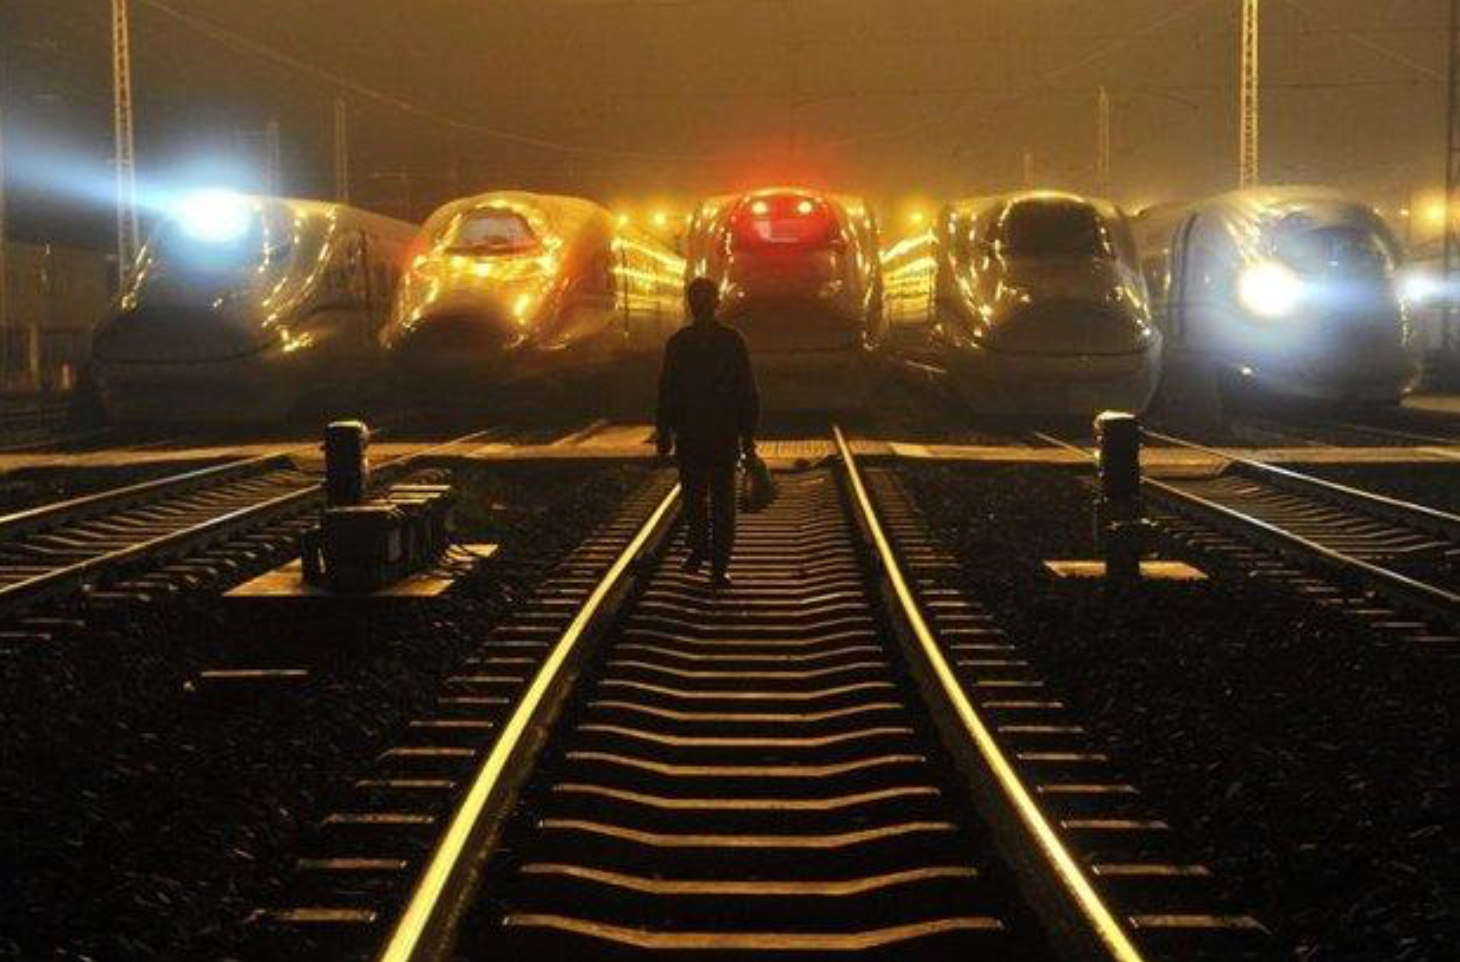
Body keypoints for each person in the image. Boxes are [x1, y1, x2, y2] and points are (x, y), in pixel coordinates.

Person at [656, 277, 759, 589]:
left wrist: (664, 431)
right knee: (719, 502)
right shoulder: (732, 341)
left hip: (694, 434)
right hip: (718, 433)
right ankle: (714, 562)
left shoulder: (679, 343)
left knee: (695, 498)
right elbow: (747, 391)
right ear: (717, 303)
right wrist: (747, 436)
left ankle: (706, 554)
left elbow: (667, 391)